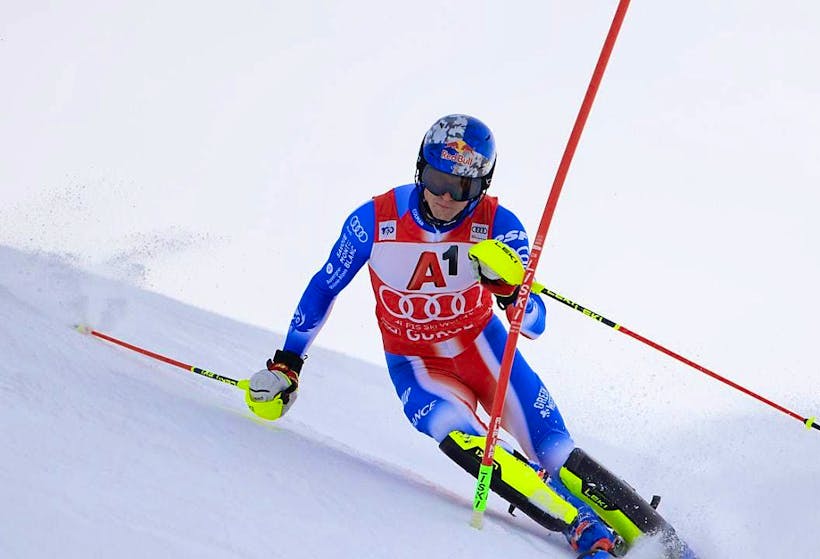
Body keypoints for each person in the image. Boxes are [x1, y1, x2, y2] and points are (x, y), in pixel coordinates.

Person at [248, 114, 695, 559]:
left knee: (555, 451)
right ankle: (581, 528)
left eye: (460, 187)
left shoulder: (499, 225)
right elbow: (325, 286)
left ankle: (670, 546)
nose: (444, 197)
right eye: (437, 179)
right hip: (418, 366)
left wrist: (509, 291)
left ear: (480, 186)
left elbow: (535, 323)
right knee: (457, 432)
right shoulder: (374, 221)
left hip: (485, 350)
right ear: (420, 168)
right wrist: (289, 363)